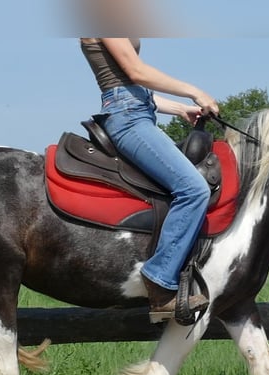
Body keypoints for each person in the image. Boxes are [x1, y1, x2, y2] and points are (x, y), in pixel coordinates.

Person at [80, 37, 220, 323]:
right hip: (128, 117)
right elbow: (136, 72)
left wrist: (180, 109)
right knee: (194, 190)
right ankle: (160, 283)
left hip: (136, 110)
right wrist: (195, 92)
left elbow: (134, 87)